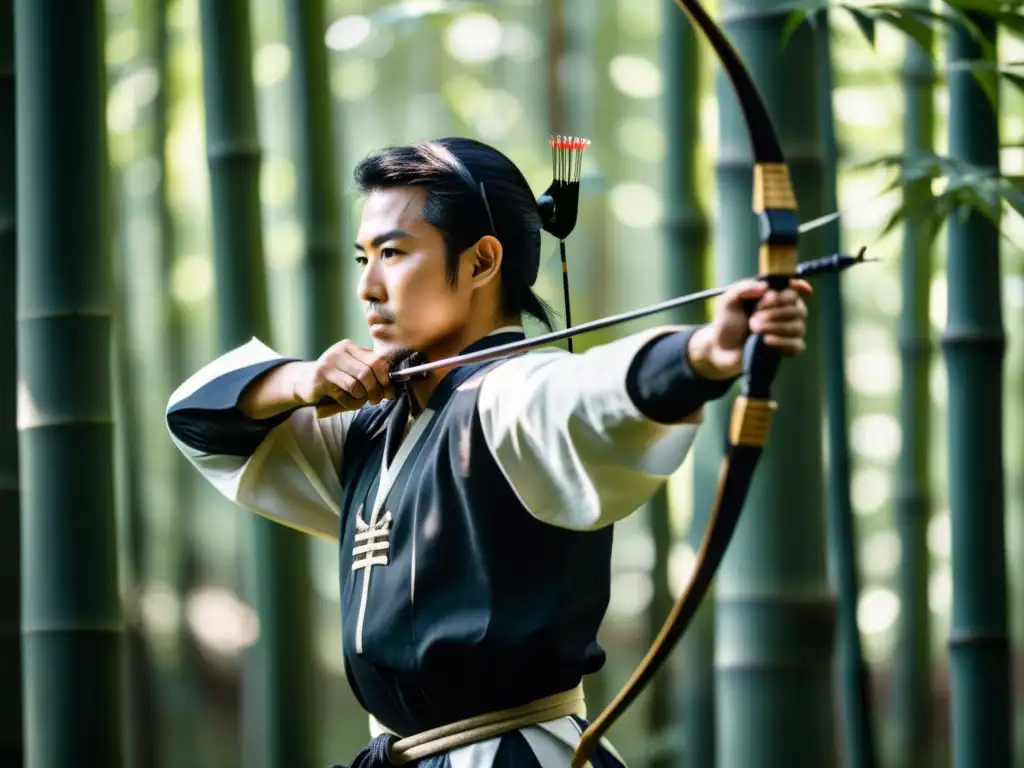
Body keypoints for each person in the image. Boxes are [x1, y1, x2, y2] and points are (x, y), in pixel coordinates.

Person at [165, 137, 809, 767]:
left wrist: (707, 354)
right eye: (364, 258)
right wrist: (298, 381)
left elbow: (595, 391)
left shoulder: (510, 397)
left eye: (393, 252)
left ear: (480, 262)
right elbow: (196, 419)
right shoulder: (371, 428)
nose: (369, 285)